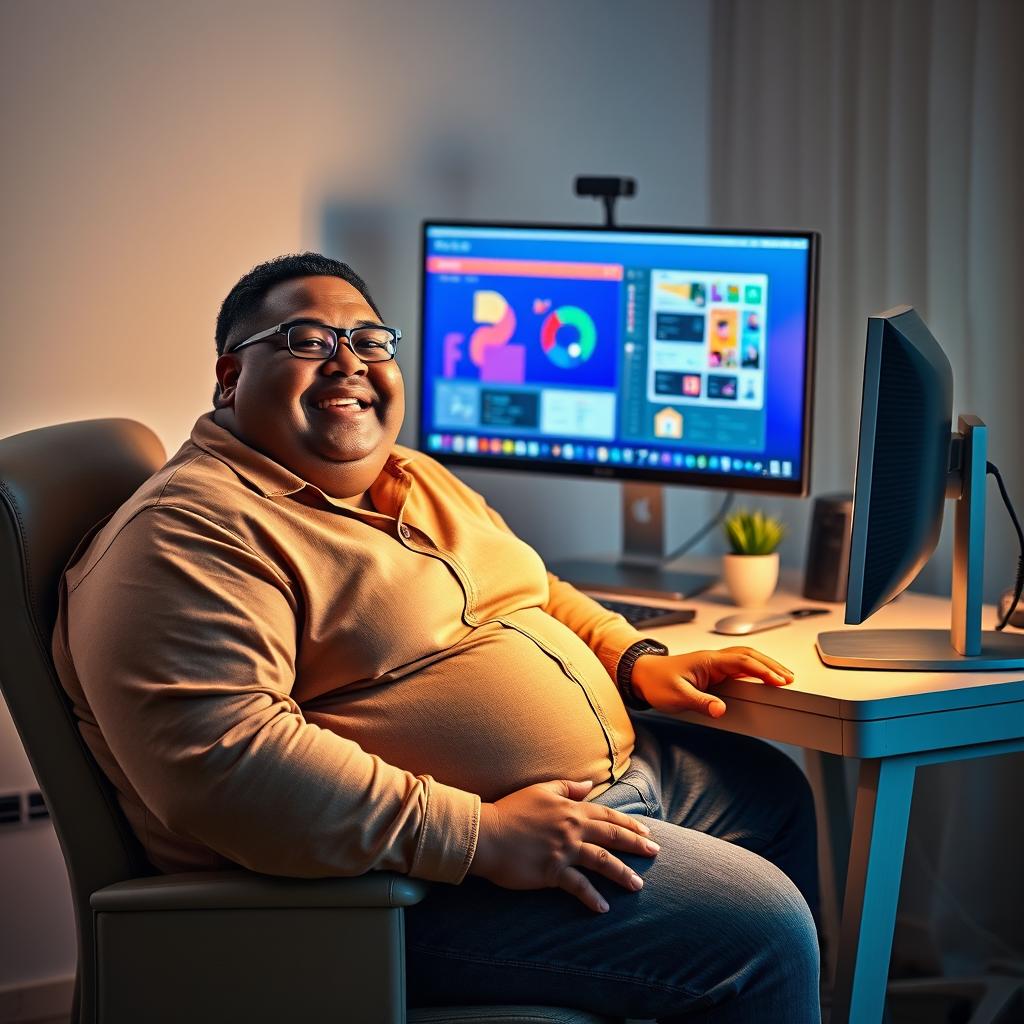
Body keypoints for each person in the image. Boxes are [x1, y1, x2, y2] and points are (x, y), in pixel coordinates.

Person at [52, 253, 821, 1022]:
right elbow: (227, 763)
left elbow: (529, 587)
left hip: (586, 798)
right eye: (308, 340)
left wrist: (634, 660)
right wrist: (483, 837)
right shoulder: (190, 532)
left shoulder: (407, 474)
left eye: (368, 340)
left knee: (775, 793)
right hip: (403, 887)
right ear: (229, 377)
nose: (347, 361)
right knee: (763, 934)